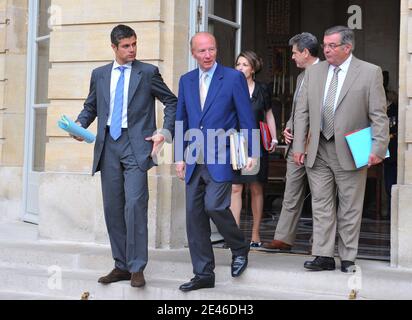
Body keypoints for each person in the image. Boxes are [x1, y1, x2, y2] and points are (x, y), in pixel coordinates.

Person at [73, 25, 177, 287]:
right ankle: (121, 265)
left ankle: (137, 266)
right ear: (114, 48)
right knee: (113, 208)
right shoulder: (99, 74)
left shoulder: (148, 72)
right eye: (126, 46)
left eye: (134, 44)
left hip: (136, 146)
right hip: (108, 145)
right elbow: (91, 106)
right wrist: (79, 125)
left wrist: (163, 131)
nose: (132, 50)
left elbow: (172, 101)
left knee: (135, 205)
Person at [293, 26, 389, 273]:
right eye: (324, 45)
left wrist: (378, 147)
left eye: (331, 46)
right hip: (318, 148)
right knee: (321, 204)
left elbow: (379, 115)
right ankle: (323, 255)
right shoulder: (313, 73)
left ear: (348, 47)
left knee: (350, 206)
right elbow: (301, 112)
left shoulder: (369, 72)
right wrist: (298, 145)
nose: (325, 50)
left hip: (351, 148)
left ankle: (348, 257)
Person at [175, 32, 257, 292]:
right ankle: (203, 274)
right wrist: (179, 156)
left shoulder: (233, 78)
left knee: (214, 206)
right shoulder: (186, 80)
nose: (208, 55)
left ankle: (239, 246)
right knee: (194, 217)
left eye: (211, 49)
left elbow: (246, 117)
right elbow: (181, 120)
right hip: (193, 157)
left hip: (221, 155)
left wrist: (251, 153)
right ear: (193, 54)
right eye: (202, 51)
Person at [264, 32, 319, 251]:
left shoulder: (326, 74)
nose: (293, 57)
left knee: (320, 197)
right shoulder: (300, 77)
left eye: (295, 53)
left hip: (316, 147)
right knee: (291, 192)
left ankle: (319, 244)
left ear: (306, 52)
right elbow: (299, 109)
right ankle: (283, 238)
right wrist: (288, 126)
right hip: (294, 146)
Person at [231, 51, 277, 248]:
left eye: (245, 64)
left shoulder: (262, 89)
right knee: (235, 188)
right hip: (236, 141)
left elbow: (269, 115)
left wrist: (274, 137)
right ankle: (234, 236)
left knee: (256, 187)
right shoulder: (231, 87)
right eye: (238, 64)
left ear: (253, 68)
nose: (241, 68)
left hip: (256, 142)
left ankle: (256, 235)